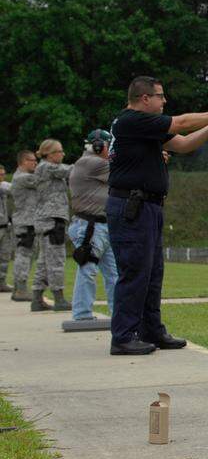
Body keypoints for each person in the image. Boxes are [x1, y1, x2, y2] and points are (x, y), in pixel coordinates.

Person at [107, 76, 208, 355]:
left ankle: (151, 330)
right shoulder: (132, 120)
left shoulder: (143, 127)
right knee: (134, 272)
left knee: (152, 273)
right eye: (160, 96)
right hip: (134, 206)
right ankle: (123, 336)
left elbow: (182, 144)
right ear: (145, 99)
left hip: (147, 207)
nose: (164, 101)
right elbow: (179, 123)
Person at [68, 130, 119, 321]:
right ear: (99, 145)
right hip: (91, 226)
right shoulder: (92, 163)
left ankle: (118, 314)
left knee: (114, 275)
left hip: (100, 226)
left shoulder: (90, 162)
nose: (110, 150)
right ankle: (82, 315)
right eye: (109, 146)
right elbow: (123, 171)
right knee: (88, 270)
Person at [30, 139, 73, 312]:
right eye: (59, 151)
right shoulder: (47, 167)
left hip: (46, 220)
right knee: (56, 259)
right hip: (51, 220)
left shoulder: (44, 168)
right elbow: (71, 170)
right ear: (49, 154)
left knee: (44, 261)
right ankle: (59, 297)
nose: (62, 154)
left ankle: (37, 298)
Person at [9, 150, 40, 302]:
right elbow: (42, 179)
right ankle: (20, 289)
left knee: (26, 254)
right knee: (24, 255)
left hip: (27, 221)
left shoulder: (22, 177)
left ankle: (18, 289)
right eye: (32, 160)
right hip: (26, 222)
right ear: (22, 162)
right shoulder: (23, 177)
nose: (35, 162)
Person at [0, 166, 12, 294]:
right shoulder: (2, 187)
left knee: (4, 257)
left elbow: (13, 188)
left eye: (3, 174)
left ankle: (1, 282)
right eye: (0, 174)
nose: (2, 177)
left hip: (4, 226)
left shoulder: (3, 186)